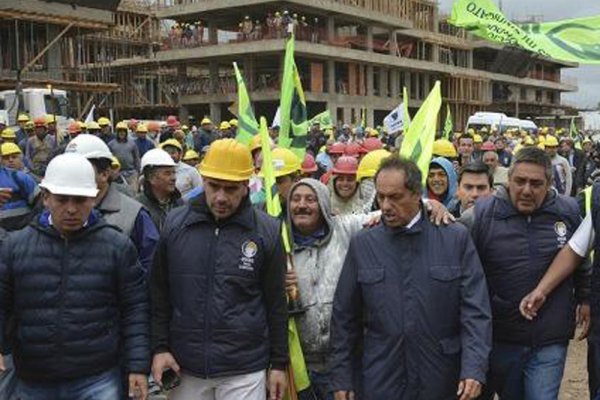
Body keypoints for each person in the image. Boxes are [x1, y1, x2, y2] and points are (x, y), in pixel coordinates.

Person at [329, 155, 492, 400]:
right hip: (382, 377)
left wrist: (474, 368)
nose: (385, 206)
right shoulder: (364, 244)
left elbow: (475, 311)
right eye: (381, 197)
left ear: (418, 194)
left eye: (394, 197)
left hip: (441, 378)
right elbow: (344, 318)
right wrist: (342, 376)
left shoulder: (454, 238)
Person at [0, 153, 149, 400]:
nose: (71, 208)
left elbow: (135, 308)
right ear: (45, 198)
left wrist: (137, 366)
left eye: (80, 200)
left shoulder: (116, 247)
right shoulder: (16, 247)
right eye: (62, 199)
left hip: (97, 378)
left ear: (93, 198)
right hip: (33, 379)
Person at [150, 138, 288, 400]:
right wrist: (159, 348)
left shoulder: (267, 231)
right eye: (214, 186)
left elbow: (275, 302)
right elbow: (159, 294)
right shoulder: (175, 224)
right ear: (203, 180)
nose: (221, 197)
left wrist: (279, 363)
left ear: (246, 186)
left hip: (244, 370)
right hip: (185, 368)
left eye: (231, 188)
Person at [459, 147, 588, 399]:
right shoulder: (480, 215)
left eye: (536, 183)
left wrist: (584, 297)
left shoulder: (569, 212)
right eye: (520, 181)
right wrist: (432, 208)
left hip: (549, 338)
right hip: (500, 337)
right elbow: (448, 244)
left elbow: (580, 257)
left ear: (549, 184)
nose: (527, 190)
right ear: (508, 180)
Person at [65, 134, 159, 275]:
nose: (73, 174)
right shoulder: (56, 211)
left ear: (104, 174)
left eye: (82, 168)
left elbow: (151, 267)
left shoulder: (134, 215)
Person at [137, 148, 183, 231]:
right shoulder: (138, 208)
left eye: (174, 172)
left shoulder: (180, 204)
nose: (174, 178)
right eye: (167, 173)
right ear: (151, 178)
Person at [109, 121, 141, 191]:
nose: (121, 133)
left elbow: (136, 158)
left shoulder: (132, 143)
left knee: (133, 193)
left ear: (126, 132)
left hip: (131, 173)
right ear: (117, 132)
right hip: (117, 173)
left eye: (123, 131)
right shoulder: (111, 144)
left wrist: (138, 171)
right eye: (120, 131)